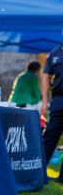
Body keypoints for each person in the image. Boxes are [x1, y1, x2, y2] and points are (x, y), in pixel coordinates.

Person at [41, 45, 63, 182]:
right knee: (49, 136)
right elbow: (46, 76)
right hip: (59, 100)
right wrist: (44, 101)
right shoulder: (55, 52)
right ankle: (38, 171)